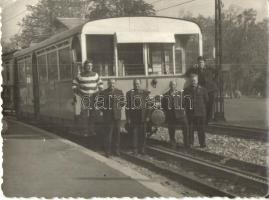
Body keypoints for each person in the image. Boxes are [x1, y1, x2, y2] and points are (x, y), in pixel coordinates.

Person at [72, 59, 103, 136]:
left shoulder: (95, 75)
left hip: (94, 96)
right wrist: (80, 93)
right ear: (84, 67)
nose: (89, 67)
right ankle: (85, 131)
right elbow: (74, 85)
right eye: (87, 66)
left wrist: (98, 93)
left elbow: (101, 85)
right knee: (84, 114)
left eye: (90, 66)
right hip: (85, 97)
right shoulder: (80, 75)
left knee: (93, 114)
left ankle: (92, 130)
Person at [185, 56, 217, 122]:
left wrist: (213, 80)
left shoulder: (209, 68)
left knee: (210, 104)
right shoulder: (195, 70)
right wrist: (192, 67)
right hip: (202, 90)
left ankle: (209, 119)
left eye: (202, 62)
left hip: (211, 89)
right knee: (203, 104)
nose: (200, 64)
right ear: (197, 63)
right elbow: (187, 73)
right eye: (199, 62)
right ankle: (205, 119)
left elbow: (217, 72)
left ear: (204, 63)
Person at [162, 81, 189, 148]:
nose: (172, 86)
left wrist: (184, 111)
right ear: (169, 85)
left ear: (176, 86)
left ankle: (186, 143)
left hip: (180, 114)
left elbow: (184, 103)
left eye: (174, 85)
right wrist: (167, 113)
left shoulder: (180, 93)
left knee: (185, 127)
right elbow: (163, 106)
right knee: (171, 130)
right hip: (171, 115)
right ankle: (173, 143)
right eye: (171, 85)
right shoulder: (165, 95)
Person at [100, 79, 124, 157]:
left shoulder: (119, 92)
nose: (112, 85)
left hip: (117, 116)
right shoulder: (103, 93)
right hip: (108, 117)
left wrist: (117, 109)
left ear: (115, 84)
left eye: (113, 83)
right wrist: (106, 111)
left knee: (117, 134)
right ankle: (108, 151)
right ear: (108, 84)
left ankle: (116, 150)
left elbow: (122, 103)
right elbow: (100, 104)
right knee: (108, 135)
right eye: (110, 83)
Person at [183, 73, 208, 148]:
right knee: (190, 129)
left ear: (197, 81)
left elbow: (206, 100)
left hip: (200, 113)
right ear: (190, 81)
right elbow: (184, 102)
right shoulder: (186, 90)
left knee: (201, 129)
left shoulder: (203, 90)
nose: (193, 82)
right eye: (192, 80)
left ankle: (202, 143)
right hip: (190, 113)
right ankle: (190, 143)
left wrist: (201, 108)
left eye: (194, 80)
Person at [126, 79, 150, 155]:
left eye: (138, 83)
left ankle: (142, 148)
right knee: (134, 133)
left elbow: (149, 105)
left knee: (143, 133)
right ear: (133, 84)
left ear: (140, 84)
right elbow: (128, 107)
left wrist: (148, 116)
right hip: (134, 117)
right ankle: (135, 149)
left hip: (143, 116)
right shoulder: (129, 93)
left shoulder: (145, 93)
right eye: (135, 84)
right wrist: (128, 118)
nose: (137, 85)